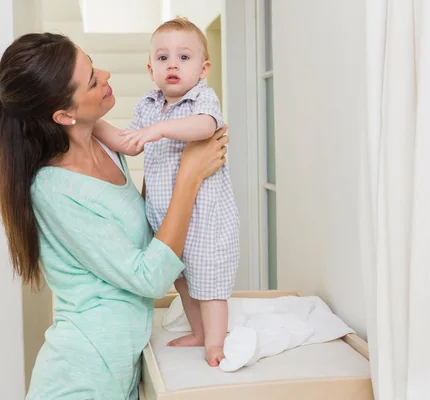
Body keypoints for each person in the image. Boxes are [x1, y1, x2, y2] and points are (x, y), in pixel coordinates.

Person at [0, 32, 229, 399]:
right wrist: (189, 177)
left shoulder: (105, 145)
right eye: (93, 79)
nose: (107, 74)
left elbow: (149, 232)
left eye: (94, 63)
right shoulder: (54, 189)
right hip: (82, 377)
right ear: (64, 114)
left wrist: (176, 171)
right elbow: (149, 277)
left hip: (121, 369)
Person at [93, 17, 239, 367]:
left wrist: (158, 131)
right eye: (162, 58)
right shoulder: (148, 104)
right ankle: (199, 331)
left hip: (207, 220)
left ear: (204, 68)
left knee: (209, 282)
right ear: (150, 69)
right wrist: (92, 124)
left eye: (184, 57)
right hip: (168, 218)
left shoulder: (202, 98)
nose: (172, 64)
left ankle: (215, 343)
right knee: (183, 280)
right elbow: (128, 144)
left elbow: (206, 127)